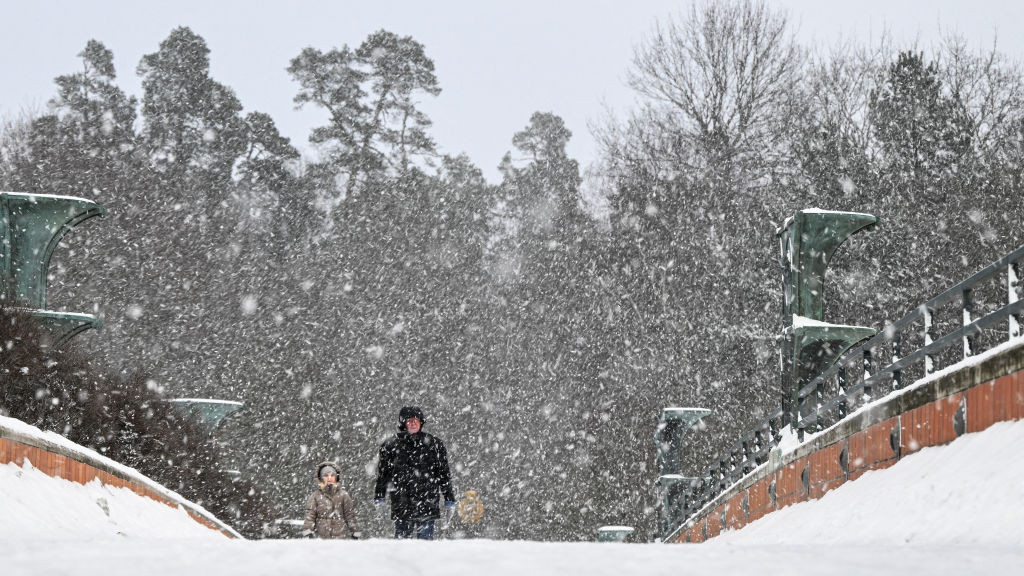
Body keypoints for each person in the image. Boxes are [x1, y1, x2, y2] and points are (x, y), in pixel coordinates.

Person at [374, 406, 456, 539]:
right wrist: (379, 497)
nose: (413, 423)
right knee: (402, 548)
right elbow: (383, 475)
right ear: (403, 423)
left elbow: (444, 475)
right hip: (401, 503)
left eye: (416, 420)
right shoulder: (390, 446)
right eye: (409, 420)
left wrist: (449, 499)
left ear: (421, 422)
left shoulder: (434, 445)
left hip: (427, 503)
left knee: (425, 548)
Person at [302, 461, 361, 539]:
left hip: (340, 538)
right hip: (320, 539)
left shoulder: (343, 496)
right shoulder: (315, 496)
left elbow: (350, 515)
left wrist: (355, 531)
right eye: (326, 475)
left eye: (332, 475)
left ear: (336, 477)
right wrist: (307, 531)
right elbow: (310, 515)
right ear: (321, 478)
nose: (329, 478)